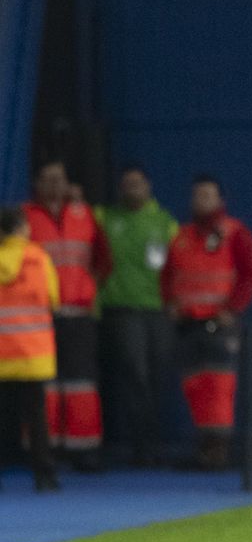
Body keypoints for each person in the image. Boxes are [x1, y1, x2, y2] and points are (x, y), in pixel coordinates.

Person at [160, 176, 252, 471]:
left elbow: (251, 274)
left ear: (220, 201)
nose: (201, 201)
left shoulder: (235, 233)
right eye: (197, 196)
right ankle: (204, 445)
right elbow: (167, 276)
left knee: (218, 386)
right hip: (188, 322)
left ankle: (218, 449)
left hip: (220, 322)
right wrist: (170, 304)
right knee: (194, 386)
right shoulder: (180, 235)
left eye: (207, 195)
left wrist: (233, 308)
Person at [22, 160, 111, 471]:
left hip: (78, 313)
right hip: (38, 317)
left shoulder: (84, 214)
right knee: (42, 385)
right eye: (47, 179)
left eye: (59, 179)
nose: (54, 185)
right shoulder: (24, 217)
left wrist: (88, 287)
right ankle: (44, 450)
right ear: (36, 184)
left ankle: (83, 449)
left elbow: (104, 258)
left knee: (81, 384)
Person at [95, 165, 179, 466]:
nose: (133, 189)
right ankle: (141, 446)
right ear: (120, 188)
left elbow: (179, 265)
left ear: (148, 186)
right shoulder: (105, 218)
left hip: (157, 309)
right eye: (127, 183)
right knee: (135, 373)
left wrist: (176, 301)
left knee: (157, 376)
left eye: (138, 183)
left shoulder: (165, 222)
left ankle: (154, 443)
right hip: (121, 308)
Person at [0, 206, 62, 492]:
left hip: (2, 356)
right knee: (37, 419)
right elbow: (53, 298)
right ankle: (45, 476)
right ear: (21, 227)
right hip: (34, 354)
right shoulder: (38, 257)